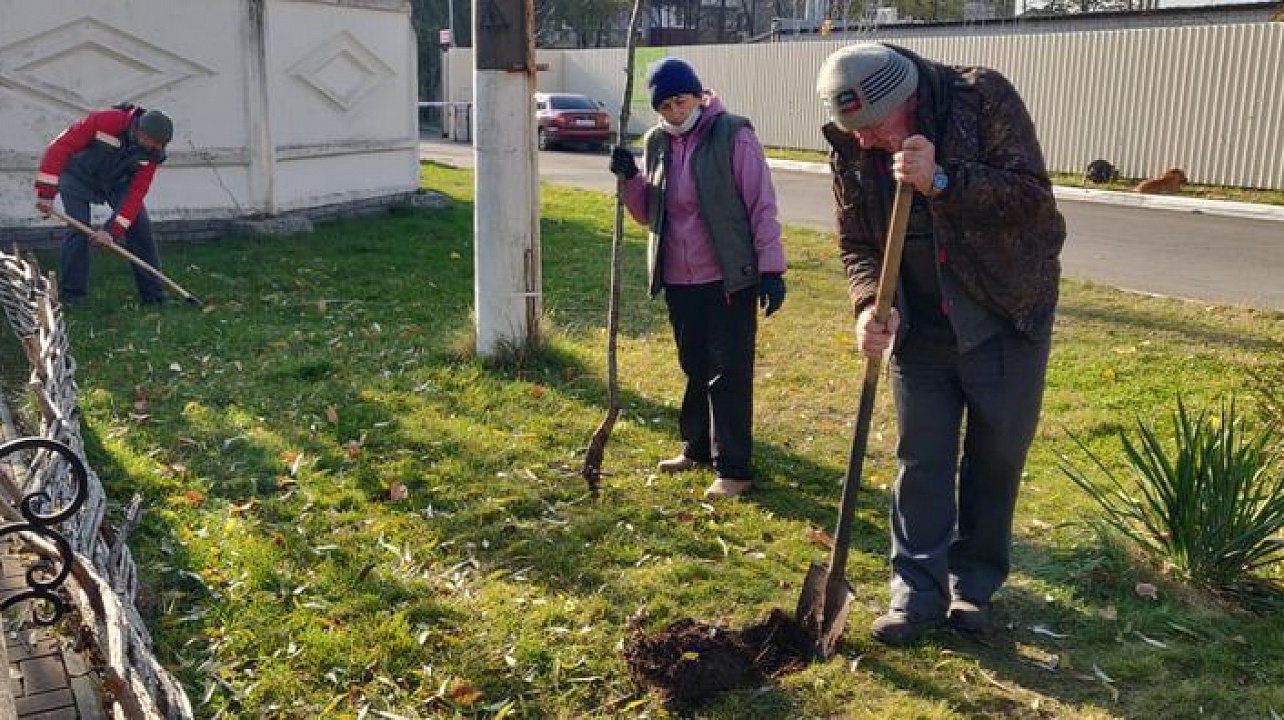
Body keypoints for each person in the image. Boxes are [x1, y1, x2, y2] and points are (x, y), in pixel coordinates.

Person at [814, 43, 1064, 645]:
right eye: (855, 129)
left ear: (907, 99)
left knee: (996, 458)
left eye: (875, 126)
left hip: (1003, 315)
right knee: (921, 461)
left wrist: (943, 180)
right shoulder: (853, 146)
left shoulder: (980, 100)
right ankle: (915, 594)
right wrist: (869, 305)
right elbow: (856, 244)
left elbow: (1033, 202)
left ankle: (972, 584)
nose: (865, 140)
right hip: (921, 329)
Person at [608, 58, 787, 500]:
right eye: (665, 106)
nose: (674, 112)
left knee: (728, 373)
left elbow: (761, 204)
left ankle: (734, 469)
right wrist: (630, 179)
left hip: (727, 276)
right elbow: (649, 213)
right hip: (678, 276)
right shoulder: (657, 142)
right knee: (694, 367)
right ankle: (696, 448)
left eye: (681, 101)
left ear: (698, 95)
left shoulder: (732, 134)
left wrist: (771, 269)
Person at [35, 103, 174, 306]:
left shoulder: (152, 154)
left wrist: (111, 231)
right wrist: (46, 193)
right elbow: (59, 147)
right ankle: (73, 296)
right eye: (154, 143)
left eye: (160, 145)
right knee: (78, 227)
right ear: (141, 133)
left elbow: (136, 193)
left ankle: (154, 295)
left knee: (140, 224)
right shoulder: (106, 120)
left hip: (116, 183)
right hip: (77, 175)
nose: (157, 149)